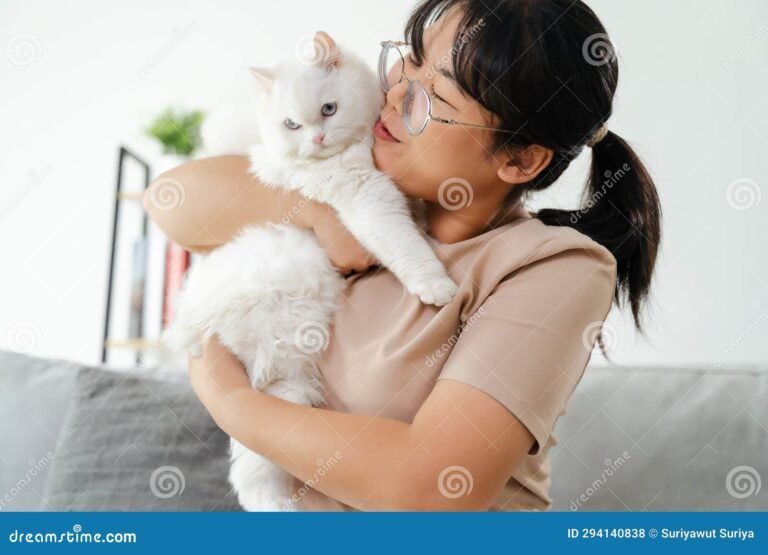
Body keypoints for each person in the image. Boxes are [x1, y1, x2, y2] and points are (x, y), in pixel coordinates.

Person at [144, 0, 661, 511]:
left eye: (431, 97)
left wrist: (232, 402)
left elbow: (433, 487)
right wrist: (320, 214)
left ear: (520, 158)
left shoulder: (553, 267)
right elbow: (172, 201)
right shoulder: (364, 178)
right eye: (405, 63)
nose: (393, 96)